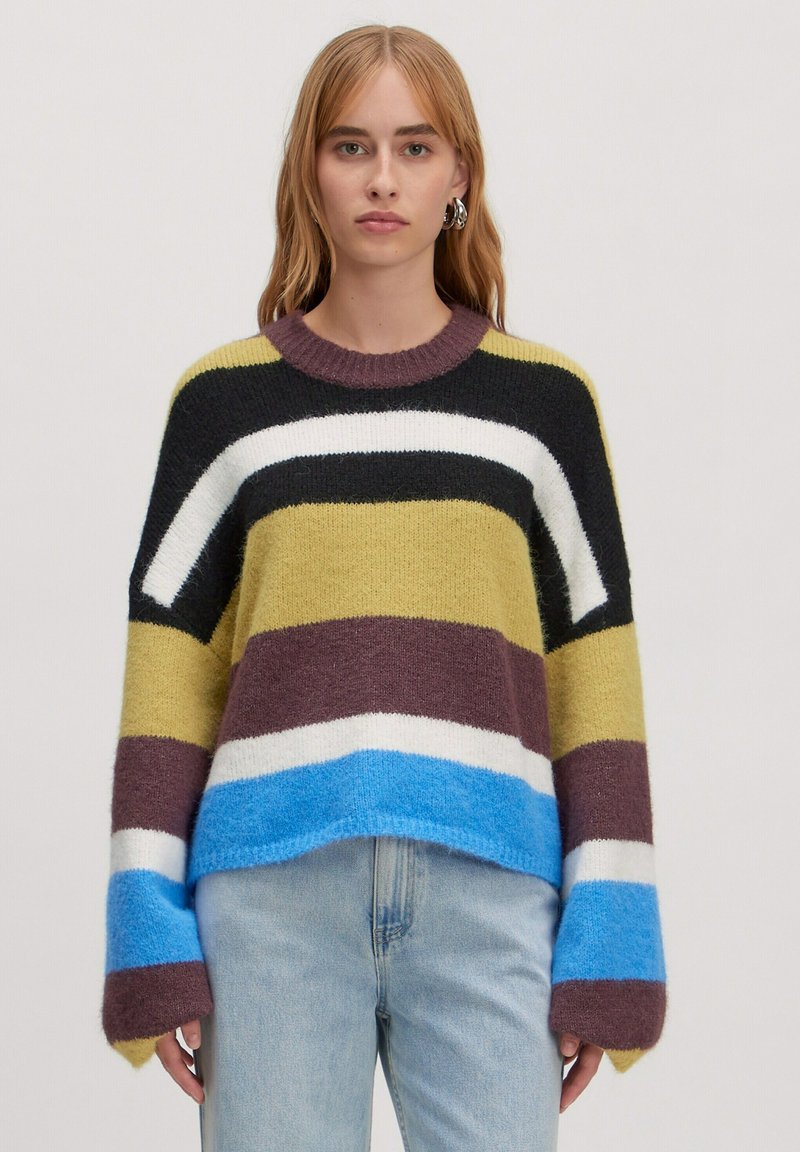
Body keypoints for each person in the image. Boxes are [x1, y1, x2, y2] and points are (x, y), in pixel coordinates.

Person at [101, 23, 667, 1152]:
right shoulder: (222, 407)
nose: (381, 179)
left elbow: (594, 679)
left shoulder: (543, 408)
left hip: (491, 898)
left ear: (459, 175)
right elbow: (168, 684)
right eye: (350, 146)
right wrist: (144, 931)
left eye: (415, 147)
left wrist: (612, 937)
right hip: (267, 906)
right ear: (309, 169)